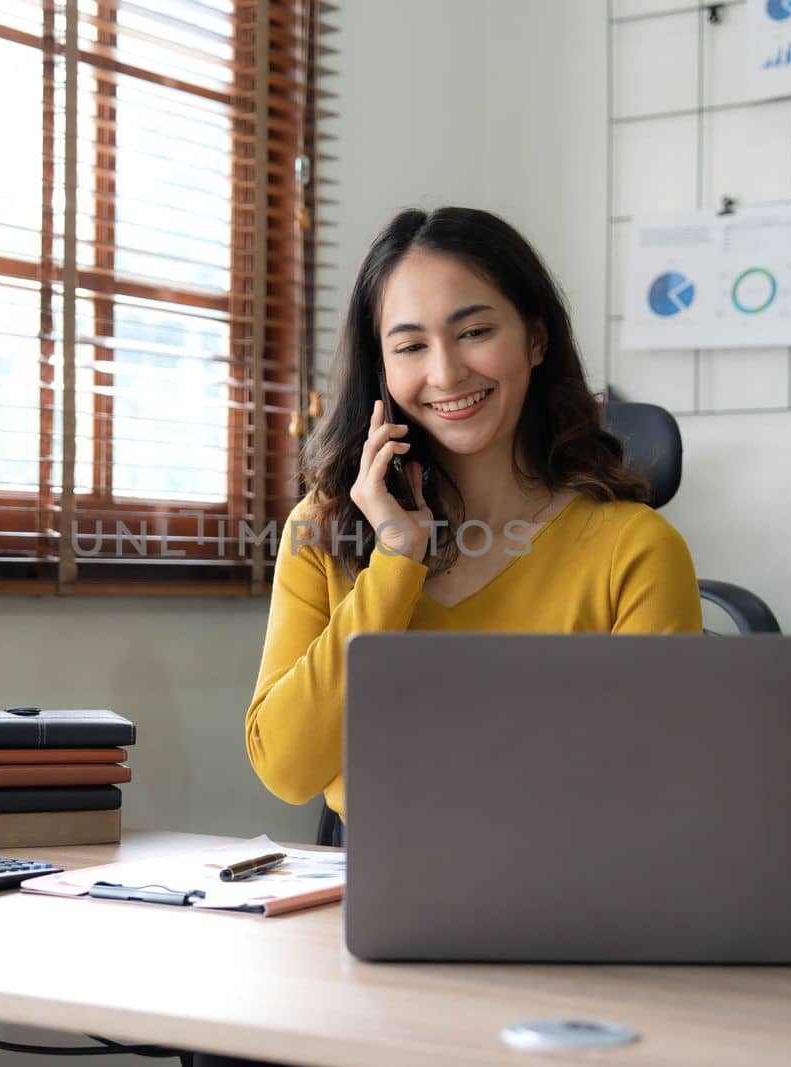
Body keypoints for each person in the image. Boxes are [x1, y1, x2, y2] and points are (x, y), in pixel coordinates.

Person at [244, 206, 703, 832]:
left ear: (535, 339)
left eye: (474, 332)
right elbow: (288, 770)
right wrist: (395, 562)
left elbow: (660, 786)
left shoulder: (636, 548)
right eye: (410, 346)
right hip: (367, 897)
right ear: (382, 369)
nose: (445, 373)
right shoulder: (324, 529)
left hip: (571, 894)